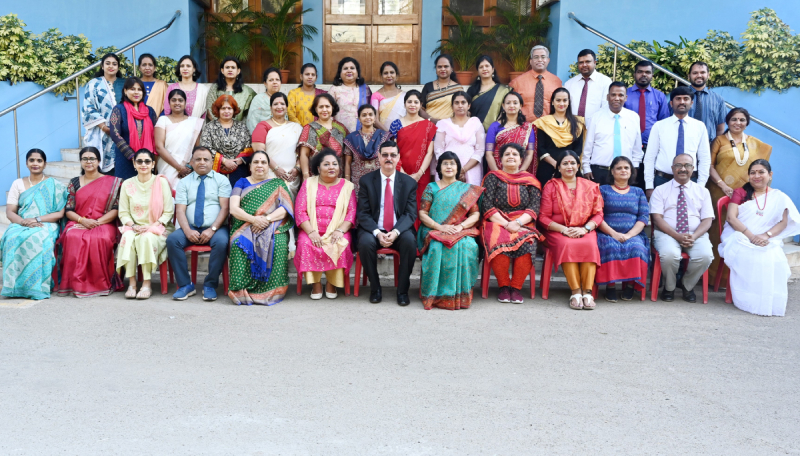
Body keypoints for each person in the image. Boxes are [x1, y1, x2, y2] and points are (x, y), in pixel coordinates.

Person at [719, 160, 800, 316]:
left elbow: (784, 222)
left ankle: (768, 301)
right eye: (752, 172)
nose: (756, 176)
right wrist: (751, 236)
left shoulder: (778, 196)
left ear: (770, 175)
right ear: (748, 176)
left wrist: (766, 235)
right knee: (749, 253)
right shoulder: (740, 193)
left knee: (773, 256)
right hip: (739, 235)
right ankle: (748, 299)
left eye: (761, 172)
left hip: (765, 236)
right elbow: (731, 218)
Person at [708, 107, 772, 281]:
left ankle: (738, 277)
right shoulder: (719, 141)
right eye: (734, 119)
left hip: (746, 197)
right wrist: (722, 185)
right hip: (718, 192)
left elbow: (762, 168)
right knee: (717, 232)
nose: (738, 123)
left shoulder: (754, 143)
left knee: (743, 231)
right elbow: (709, 165)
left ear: (747, 123)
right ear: (728, 121)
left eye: (742, 120)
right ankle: (714, 277)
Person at [228, 151, 295, 306]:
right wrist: (253, 220)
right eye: (256, 162)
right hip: (245, 225)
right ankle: (241, 289)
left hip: (272, 225)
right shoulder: (241, 182)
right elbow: (234, 209)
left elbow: (286, 208)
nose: (260, 165)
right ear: (250, 166)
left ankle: (271, 290)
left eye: (264, 162)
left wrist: (266, 219)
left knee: (277, 242)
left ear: (268, 167)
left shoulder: (277, 183)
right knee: (239, 243)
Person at [418, 152, 483, 310]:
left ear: (458, 168)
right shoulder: (431, 187)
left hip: (460, 229)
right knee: (437, 246)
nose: (448, 166)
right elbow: (422, 213)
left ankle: (461, 295)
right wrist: (440, 227)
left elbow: (475, 214)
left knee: (468, 247)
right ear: (439, 167)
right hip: (434, 228)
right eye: (445, 163)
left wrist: (460, 227)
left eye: (452, 163)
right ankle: (435, 295)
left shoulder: (466, 189)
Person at [356, 140, 418, 306]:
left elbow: (410, 214)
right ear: (379, 157)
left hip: (399, 230)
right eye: (385, 155)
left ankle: (403, 291)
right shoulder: (367, 181)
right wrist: (377, 232)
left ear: (398, 158)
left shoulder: (409, 183)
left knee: (410, 242)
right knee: (365, 243)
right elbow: (363, 213)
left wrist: (396, 232)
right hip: (374, 230)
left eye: (392, 155)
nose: (388, 158)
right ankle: (375, 288)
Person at [540, 151, 604, 310]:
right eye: (565, 163)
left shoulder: (589, 186)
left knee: (589, 244)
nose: (569, 166)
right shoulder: (551, 186)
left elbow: (598, 214)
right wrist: (563, 229)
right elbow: (543, 217)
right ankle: (576, 292)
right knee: (568, 244)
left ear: (578, 166)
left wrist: (585, 229)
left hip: (584, 229)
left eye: (573, 163)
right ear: (559, 167)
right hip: (558, 231)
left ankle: (587, 293)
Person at [167, 146, 232, 302]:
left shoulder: (222, 180)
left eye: (206, 159)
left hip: (216, 229)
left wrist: (212, 229)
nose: (202, 162)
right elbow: (180, 211)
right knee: (172, 240)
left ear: (211, 162)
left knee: (222, 242)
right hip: (191, 228)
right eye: (198, 159)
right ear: (192, 161)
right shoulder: (184, 182)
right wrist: (187, 230)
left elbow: (225, 208)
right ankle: (185, 285)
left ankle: (210, 285)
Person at [0, 149, 67, 300]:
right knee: (11, 237)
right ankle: (13, 286)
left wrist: (37, 219)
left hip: (46, 223)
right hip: (21, 222)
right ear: (26, 163)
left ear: (45, 164)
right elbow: (10, 212)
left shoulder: (54, 185)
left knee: (38, 238)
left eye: (39, 161)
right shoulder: (17, 183)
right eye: (32, 160)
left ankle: (36, 286)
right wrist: (23, 222)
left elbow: (59, 214)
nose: (35, 163)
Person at [480, 144, 542, 304]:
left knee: (529, 242)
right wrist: (506, 224)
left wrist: (518, 222)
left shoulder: (530, 180)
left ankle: (516, 287)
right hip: (497, 220)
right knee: (497, 238)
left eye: (515, 154)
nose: (511, 156)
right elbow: (487, 205)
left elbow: (534, 206)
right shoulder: (492, 177)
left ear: (521, 159)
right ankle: (503, 287)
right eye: (507, 154)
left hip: (523, 222)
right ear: (500, 160)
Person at [57, 147, 122, 298]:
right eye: (85, 159)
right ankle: (75, 284)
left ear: (99, 161)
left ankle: (100, 284)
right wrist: (82, 220)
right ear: (80, 162)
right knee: (72, 236)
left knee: (101, 238)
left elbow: (116, 209)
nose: (88, 162)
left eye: (92, 158)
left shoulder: (113, 182)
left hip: (104, 222)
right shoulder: (74, 183)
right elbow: (69, 209)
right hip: (79, 221)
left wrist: (97, 222)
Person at [649, 154, 714, 303]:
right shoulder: (660, 190)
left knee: (705, 256)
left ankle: (686, 285)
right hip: (667, 233)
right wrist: (677, 236)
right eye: (678, 165)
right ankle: (669, 287)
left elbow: (707, 219)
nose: (683, 169)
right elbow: (657, 218)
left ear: (693, 169)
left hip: (695, 234)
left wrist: (695, 236)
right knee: (669, 255)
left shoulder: (703, 191)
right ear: (672, 169)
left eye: (687, 165)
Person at [294, 149, 357, 300]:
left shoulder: (347, 186)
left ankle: (331, 283)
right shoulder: (309, 183)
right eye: (326, 164)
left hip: (337, 230)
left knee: (341, 243)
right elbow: (300, 210)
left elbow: (351, 212)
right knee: (305, 243)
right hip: (312, 230)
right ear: (318, 168)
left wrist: (340, 230)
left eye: (335, 164)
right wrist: (311, 232)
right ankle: (315, 284)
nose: (331, 167)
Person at [115, 149, 175, 300]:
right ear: (134, 164)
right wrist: (134, 226)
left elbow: (168, 212)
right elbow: (123, 213)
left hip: (158, 228)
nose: (143, 164)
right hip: (133, 226)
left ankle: (147, 283)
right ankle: (132, 283)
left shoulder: (161, 182)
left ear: (153, 164)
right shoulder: (127, 184)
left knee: (146, 238)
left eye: (147, 161)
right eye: (139, 161)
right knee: (128, 237)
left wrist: (151, 226)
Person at [595, 156, 650, 302]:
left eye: (626, 168)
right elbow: (597, 216)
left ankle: (630, 286)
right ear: (612, 171)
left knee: (636, 248)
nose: (623, 170)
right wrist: (613, 234)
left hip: (633, 234)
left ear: (631, 171)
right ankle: (610, 286)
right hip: (607, 233)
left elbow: (643, 217)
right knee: (610, 247)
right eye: (619, 168)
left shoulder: (638, 192)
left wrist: (629, 235)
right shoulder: (603, 190)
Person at [645, 86, 710, 195]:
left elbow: (704, 158)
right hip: (663, 180)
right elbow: (650, 157)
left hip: (690, 181)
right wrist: (649, 186)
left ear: (691, 103)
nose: (682, 102)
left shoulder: (699, 126)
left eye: (686, 99)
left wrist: (701, 185)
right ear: (671, 103)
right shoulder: (659, 126)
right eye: (678, 99)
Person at [389, 90, 437, 225]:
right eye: (409, 101)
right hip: (400, 171)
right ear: (404, 104)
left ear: (421, 105)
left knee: (421, 205)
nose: (412, 105)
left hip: (422, 174)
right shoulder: (396, 124)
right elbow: (393, 151)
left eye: (416, 102)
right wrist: (403, 173)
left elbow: (429, 152)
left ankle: (419, 240)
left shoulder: (429, 126)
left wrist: (419, 173)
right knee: (400, 204)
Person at [582, 82, 643, 186]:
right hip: (600, 171)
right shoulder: (595, 117)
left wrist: (635, 167)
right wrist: (586, 167)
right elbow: (588, 145)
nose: (616, 98)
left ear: (626, 98)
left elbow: (637, 147)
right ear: (607, 97)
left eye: (620, 95)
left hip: (624, 173)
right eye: (613, 95)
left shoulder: (633, 118)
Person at [623, 60, 671, 189]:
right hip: (629, 146)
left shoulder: (659, 96)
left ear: (652, 75)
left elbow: (664, 123)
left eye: (647, 72)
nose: (643, 75)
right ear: (634, 74)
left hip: (652, 146)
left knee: (649, 183)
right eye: (640, 72)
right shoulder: (625, 95)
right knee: (628, 182)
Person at [251, 92, 303, 197]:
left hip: (293, 176)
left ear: (287, 107)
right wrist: (276, 169)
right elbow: (259, 152)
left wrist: (297, 168)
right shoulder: (262, 126)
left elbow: (303, 152)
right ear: (270, 107)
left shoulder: (296, 127)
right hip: (270, 173)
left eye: (282, 104)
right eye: (275, 104)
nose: (279, 107)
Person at [82, 53, 126, 174]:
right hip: (101, 131)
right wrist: (104, 127)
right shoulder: (94, 84)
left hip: (123, 132)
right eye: (108, 63)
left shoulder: (124, 84)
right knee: (102, 169)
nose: (111, 66)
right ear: (102, 66)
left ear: (118, 67)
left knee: (121, 167)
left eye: (114, 64)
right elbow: (88, 107)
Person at [532, 87, 585, 186]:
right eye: (558, 100)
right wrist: (556, 165)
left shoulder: (577, 123)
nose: (561, 103)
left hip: (570, 170)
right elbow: (541, 148)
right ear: (552, 102)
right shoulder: (544, 122)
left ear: (569, 102)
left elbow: (578, 149)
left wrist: (566, 166)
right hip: (547, 169)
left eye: (565, 100)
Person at [109, 77, 158, 180]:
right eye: (132, 89)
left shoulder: (150, 111)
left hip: (146, 161)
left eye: (139, 89)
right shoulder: (119, 109)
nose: (136, 92)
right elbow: (115, 134)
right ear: (125, 91)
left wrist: (144, 158)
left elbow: (155, 135)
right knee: (126, 189)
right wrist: (132, 156)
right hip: (125, 159)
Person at [154, 89, 204, 190]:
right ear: (169, 103)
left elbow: (198, 148)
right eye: (174, 100)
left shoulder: (194, 122)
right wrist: (179, 168)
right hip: (166, 165)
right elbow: (159, 147)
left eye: (180, 100)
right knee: (166, 195)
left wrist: (189, 167)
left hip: (188, 169)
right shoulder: (163, 120)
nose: (177, 103)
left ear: (185, 103)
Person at [433, 91, 485, 185]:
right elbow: (438, 150)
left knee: (469, 199)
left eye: (463, 102)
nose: (460, 106)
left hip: (471, 170)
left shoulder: (476, 123)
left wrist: (463, 170)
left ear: (468, 106)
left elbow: (480, 150)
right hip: (447, 170)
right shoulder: (443, 124)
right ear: (452, 107)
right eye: (456, 103)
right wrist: (452, 170)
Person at [200, 95, 253, 185]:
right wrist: (224, 161)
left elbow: (249, 148)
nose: (226, 111)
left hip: (239, 170)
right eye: (223, 108)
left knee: (238, 196)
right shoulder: (210, 127)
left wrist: (239, 161)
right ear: (218, 110)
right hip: (216, 170)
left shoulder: (242, 126)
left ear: (234, 110)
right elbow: (205, 147)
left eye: (229, 108)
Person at [343, 104, 392, 198]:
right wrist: (347, 183)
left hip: (380, 179)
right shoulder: (352, 138)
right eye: (364, 115)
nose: (367, 117)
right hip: (358, 182)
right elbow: (347, 163)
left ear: (375, 118)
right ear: (359, 119)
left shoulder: (384, 136)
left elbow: (389, 160)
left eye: (370, 114)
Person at [298, 93, 349, 178]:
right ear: (316, 109)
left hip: (337, 175)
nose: (324, 110)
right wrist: (305, 176)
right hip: (315, 175)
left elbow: (347, 154)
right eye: (321, 107)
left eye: (327, 106)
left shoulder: (341, 128)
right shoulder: (309, 128)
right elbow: (304, 154)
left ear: (332, 108)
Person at [485, 91, 536, 175]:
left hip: (520, 171)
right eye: (508, 103)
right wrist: (497, 173)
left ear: (520, 106)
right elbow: (489, 153)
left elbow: (529, 154)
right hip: (497, 170)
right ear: (503, 106)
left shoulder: (528, 128)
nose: (512, 105)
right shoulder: (494, 126)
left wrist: (520, 172)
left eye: (515, 103)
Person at [509, 45, 563, 122]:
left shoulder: (557, 82)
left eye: (543, 57)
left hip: (549, 127)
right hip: (524, 127)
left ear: (548, 60)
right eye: (536, 57)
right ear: (531, 61)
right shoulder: (517, 82)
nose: (539, 60)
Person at [563, 49, 612, 120]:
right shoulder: (569, 84)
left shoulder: (605, 82)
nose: (584, 65)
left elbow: (606, 107)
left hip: (596, 127)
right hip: (572, 127)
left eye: (588, 62)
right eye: (581, 62)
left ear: (595, 63)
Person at [466, 55, 511, 131]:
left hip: (497, 131)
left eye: (487, 66)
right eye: (481, 67)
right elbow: (467, 111)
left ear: (492, 69)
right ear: (478, 71)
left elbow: (507, 112)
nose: (484, 69)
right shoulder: (472, 90)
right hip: (474, 132)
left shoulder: (503, 90)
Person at [205, 56, 256, 123]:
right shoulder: (215, 88)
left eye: (233, 67)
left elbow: (251, 114)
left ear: (238, 71)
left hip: (240, 130)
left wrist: (238, 128)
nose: (230, 70)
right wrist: (220, 126)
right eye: (227, 67)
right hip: (217, 129)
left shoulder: (247, 91)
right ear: (222, 70)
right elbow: (210, 111)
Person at [685, 61, 727, 142]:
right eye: (695, 73)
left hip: (709, 146)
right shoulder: (679, 97)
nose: (699, 75)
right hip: (683, 145)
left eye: (703, 72)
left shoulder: (718, 99)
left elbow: (720, 130)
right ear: (689, 76)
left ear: (708, 75)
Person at [328, 57, 372, 132]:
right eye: (345, 68)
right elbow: (329, 112)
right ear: (340, 73)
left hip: (363, 132)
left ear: (357, 72)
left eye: (352, 68)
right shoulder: (334, 89)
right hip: (340, 132)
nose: (349, 71)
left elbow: (371, 111)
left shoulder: (365, 89)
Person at [419, 54, 462, 124]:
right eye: (439, 67)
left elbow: (462, 109)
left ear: (451, 69)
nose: (443, 69)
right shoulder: (428, 86)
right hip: (429, 126)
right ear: (436, 69)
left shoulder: (457, 88)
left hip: (450, 126)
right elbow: (420, 108)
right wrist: (432, 120)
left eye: (446, 66)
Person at [370, 61, 406, 131]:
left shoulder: (404, 95)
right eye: (385, 73)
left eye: (392, 72)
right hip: (384, 136)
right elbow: (375, 120)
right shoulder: (376, 96)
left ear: (397, 75)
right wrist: (389, 134)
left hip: (404, 134)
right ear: (381, 76)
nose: (389, 75)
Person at [247, 67, 282, 133]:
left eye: (277, 79)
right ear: (265, 83)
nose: (275, 82)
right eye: (271, 80)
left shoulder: (283, 99)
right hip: (261, 139)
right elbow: (252, 123)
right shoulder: (258, 99)